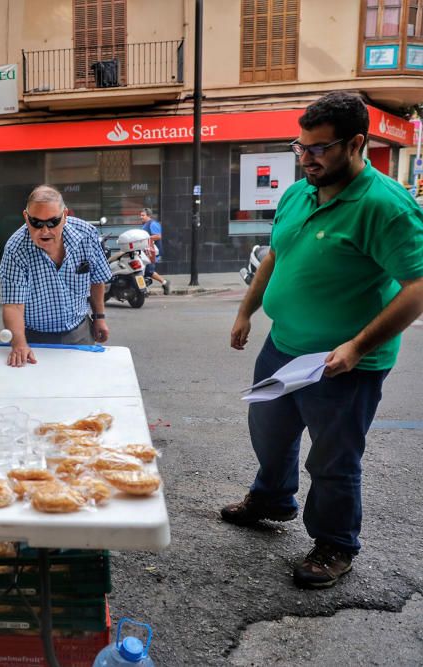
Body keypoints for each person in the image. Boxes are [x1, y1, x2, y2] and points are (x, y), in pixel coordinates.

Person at [223, 92, 423, 589]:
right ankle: (272, 497)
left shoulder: (385, 206)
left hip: (344, 363)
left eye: (318, 148)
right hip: (284, 346)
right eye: (300, 146)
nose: (306, 158)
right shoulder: (298, 192)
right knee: (268, 429)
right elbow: (275, 255)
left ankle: (335, 543)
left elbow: (418, 284)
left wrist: (356, 346)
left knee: (333, 459)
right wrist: (247, 309)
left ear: (355, 143)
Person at [0, 185, 112, 368]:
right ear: (26, 217)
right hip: (35, 337)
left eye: (52, 222)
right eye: (36, 223)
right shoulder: (15, 249)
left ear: (65, 215)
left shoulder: (86, 235)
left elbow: (96, 279)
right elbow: (13, 305)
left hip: (80, 331)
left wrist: (99, 317)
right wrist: (19, 344)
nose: (44, 231)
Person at [139, 208, 170, 295]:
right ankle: (143, 289)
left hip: (153, 252)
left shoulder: (153, 224)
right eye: (140, 215)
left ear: (148, 215)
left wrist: (146, 238)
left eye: (143, 215)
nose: (140, 217)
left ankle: (164, 282)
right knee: (143, 269)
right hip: (147, 252)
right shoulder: (145, 224)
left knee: (148, 270)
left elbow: (158, 236)